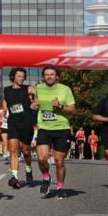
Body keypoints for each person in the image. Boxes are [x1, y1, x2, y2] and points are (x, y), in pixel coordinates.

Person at [32, 66, 76, 199]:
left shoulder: (65, 89)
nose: (49, 76)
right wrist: (33, 106)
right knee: (41, 158)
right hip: (44, 128)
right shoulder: (38, 88)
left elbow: (72, 109)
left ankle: (60, 187)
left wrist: (60, 106)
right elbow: (36, 104)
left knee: (59, 161)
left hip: (61, 128)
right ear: (43, 76)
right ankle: (46, 177)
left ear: (57, 76)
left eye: (52, 74)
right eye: (46, 74)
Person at [2, 67, 36, 188]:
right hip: (13, 123)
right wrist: (3, 111)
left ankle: (28, 168)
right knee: (14, 150)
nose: (21, 78)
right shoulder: (7, 90)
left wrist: (35, 104)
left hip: (26, 123)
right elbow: (5, 102)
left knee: (26, 151)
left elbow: (37, 101)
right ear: (13, 77)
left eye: (23, 76)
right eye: (19, 76)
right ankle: (14, 176)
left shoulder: (29, 89)